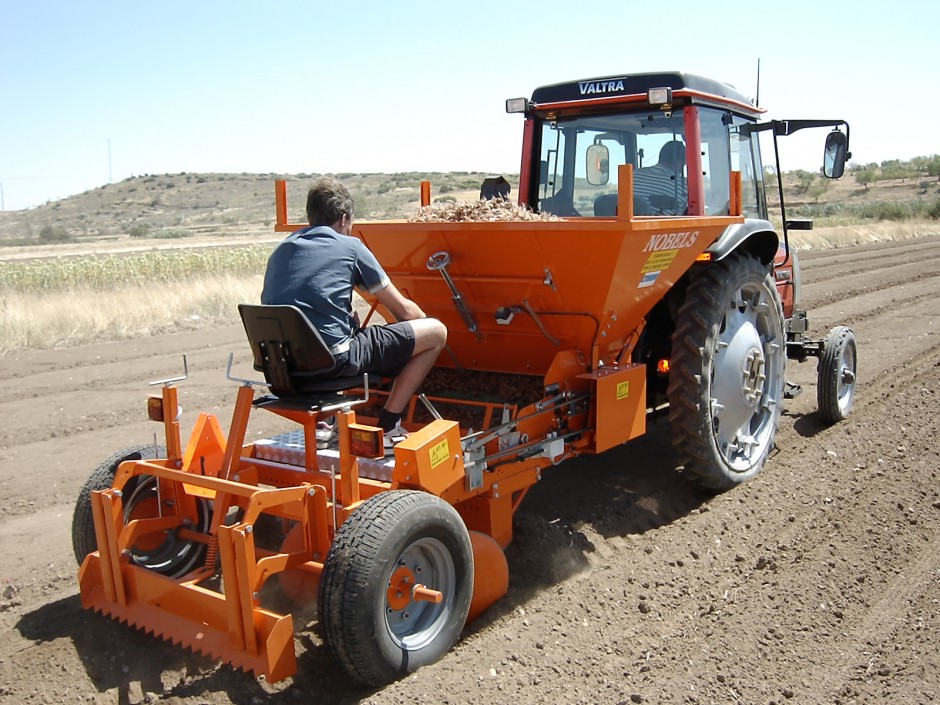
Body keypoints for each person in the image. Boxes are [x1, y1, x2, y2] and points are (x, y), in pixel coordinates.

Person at [261, 176, 447, 446]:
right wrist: (422, 334)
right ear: (344, 219)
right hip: (332, 363)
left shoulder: (282, 250)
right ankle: (390, 423)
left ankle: (328, 420)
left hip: (282, 369)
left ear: (311, 216)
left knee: (346, 326)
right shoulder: (350, 247)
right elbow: (404, 311)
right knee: (437, 332)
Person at [633, 140, 688, 215]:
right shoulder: (684, 184)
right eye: (684, 164)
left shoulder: (634, 174)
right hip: (661, 226)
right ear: (679, 162)